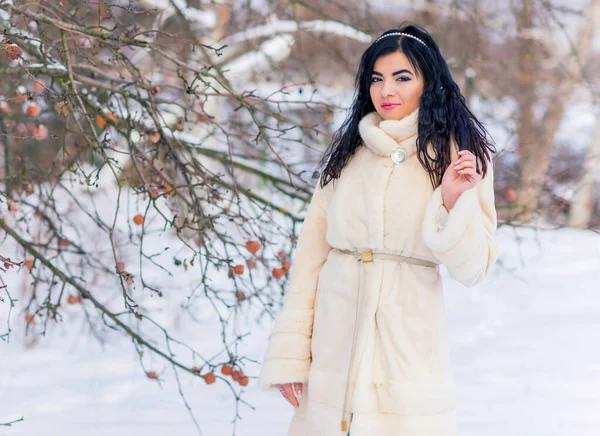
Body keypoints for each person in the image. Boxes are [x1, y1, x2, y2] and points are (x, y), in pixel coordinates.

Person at [257, 23, 498, 436]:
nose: (386, 90)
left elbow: (474, 268)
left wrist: (454, 201)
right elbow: (310, 261)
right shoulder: (348, 154)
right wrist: (292, 355)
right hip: (334, 339)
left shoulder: (460, 155)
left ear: (429, 82)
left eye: (402, 78)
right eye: (376, 78)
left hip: (407, 345)